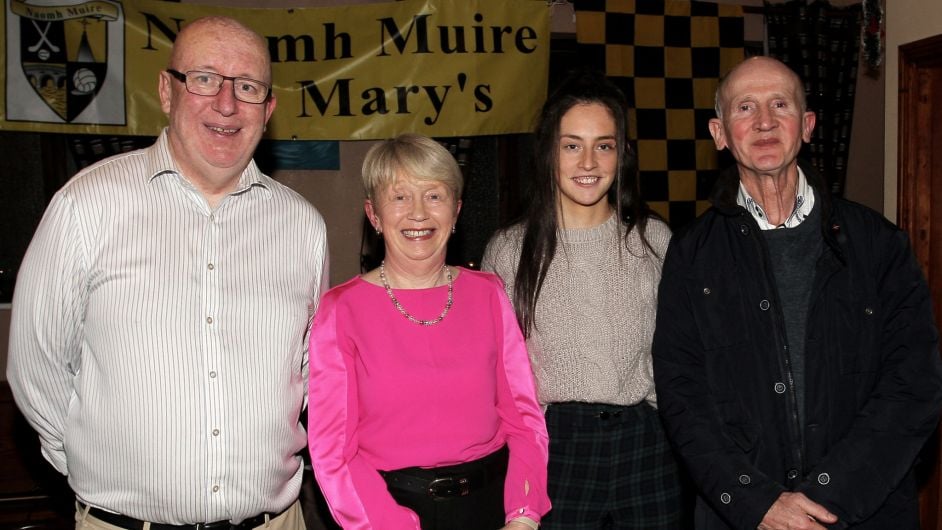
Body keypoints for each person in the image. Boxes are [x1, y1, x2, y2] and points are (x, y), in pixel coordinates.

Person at [7, 16, 328, 530]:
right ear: (166, 89)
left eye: (247, 87)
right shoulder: (86, 205)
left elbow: (312, 373)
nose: (226, 104)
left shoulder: (303, 227)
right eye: (203, 78)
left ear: (268, 110)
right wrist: (94, 469)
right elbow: (36, 363)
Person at [652, 56, 942, 530]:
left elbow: (913, 388)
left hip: (865, 514)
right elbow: (684, 399)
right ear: (719, 133)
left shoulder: (878, 244)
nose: (764, 120)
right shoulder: (690, 255)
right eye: (744, 107)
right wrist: (759, 504)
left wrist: (822, 500)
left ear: (806, 126)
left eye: (779, 104)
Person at [307, 134, 550, 530]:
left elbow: (524, 419)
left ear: (456, 211)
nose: (418, 213)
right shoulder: (342, 310)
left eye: (434, 196)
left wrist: (523, 514)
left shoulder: (488, 293)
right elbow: (333, 451)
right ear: (374, 214)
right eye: (399, 197)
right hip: (385, 510)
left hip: (494, 510)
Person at [482, 71, 685, 528]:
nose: (588, 161)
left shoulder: (654, 240)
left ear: (622, 154)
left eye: (604, 145)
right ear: (548, 152)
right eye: (572, 145)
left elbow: (681, 352)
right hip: (553, 448)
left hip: (647, 445)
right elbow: (495, 368)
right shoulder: (508, 250)